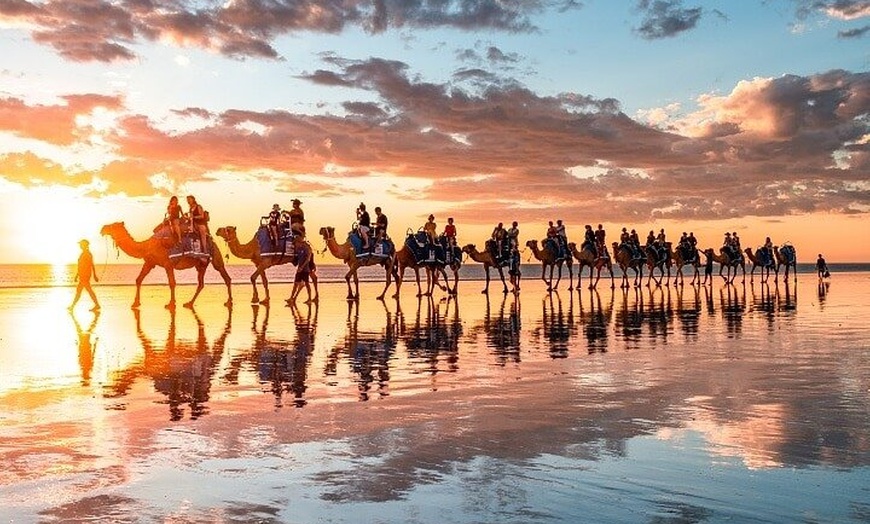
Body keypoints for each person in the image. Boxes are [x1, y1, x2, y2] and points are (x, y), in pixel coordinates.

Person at [69, 239, 100, 311]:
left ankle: (72, 306)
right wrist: (77, 275)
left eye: (81, 244)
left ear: (84, 245)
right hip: (82, 275)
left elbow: (91, 264)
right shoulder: (83, 253)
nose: (80, 246)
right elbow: (80, 266)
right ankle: (72, 306)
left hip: (85, 275)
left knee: (84, 290)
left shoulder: (87, 254)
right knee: (81, 290)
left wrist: (95, 275)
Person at [288, 236, 313, 304]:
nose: (295, 245)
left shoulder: (305, 249)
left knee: (307, 284)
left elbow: (308, 259)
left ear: (299, 242)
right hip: (299, 269)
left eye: (295, 243)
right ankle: (291, 298)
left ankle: (309, 299)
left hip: (305, 270)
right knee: (295, 284)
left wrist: (302, 267)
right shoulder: (298, 250)